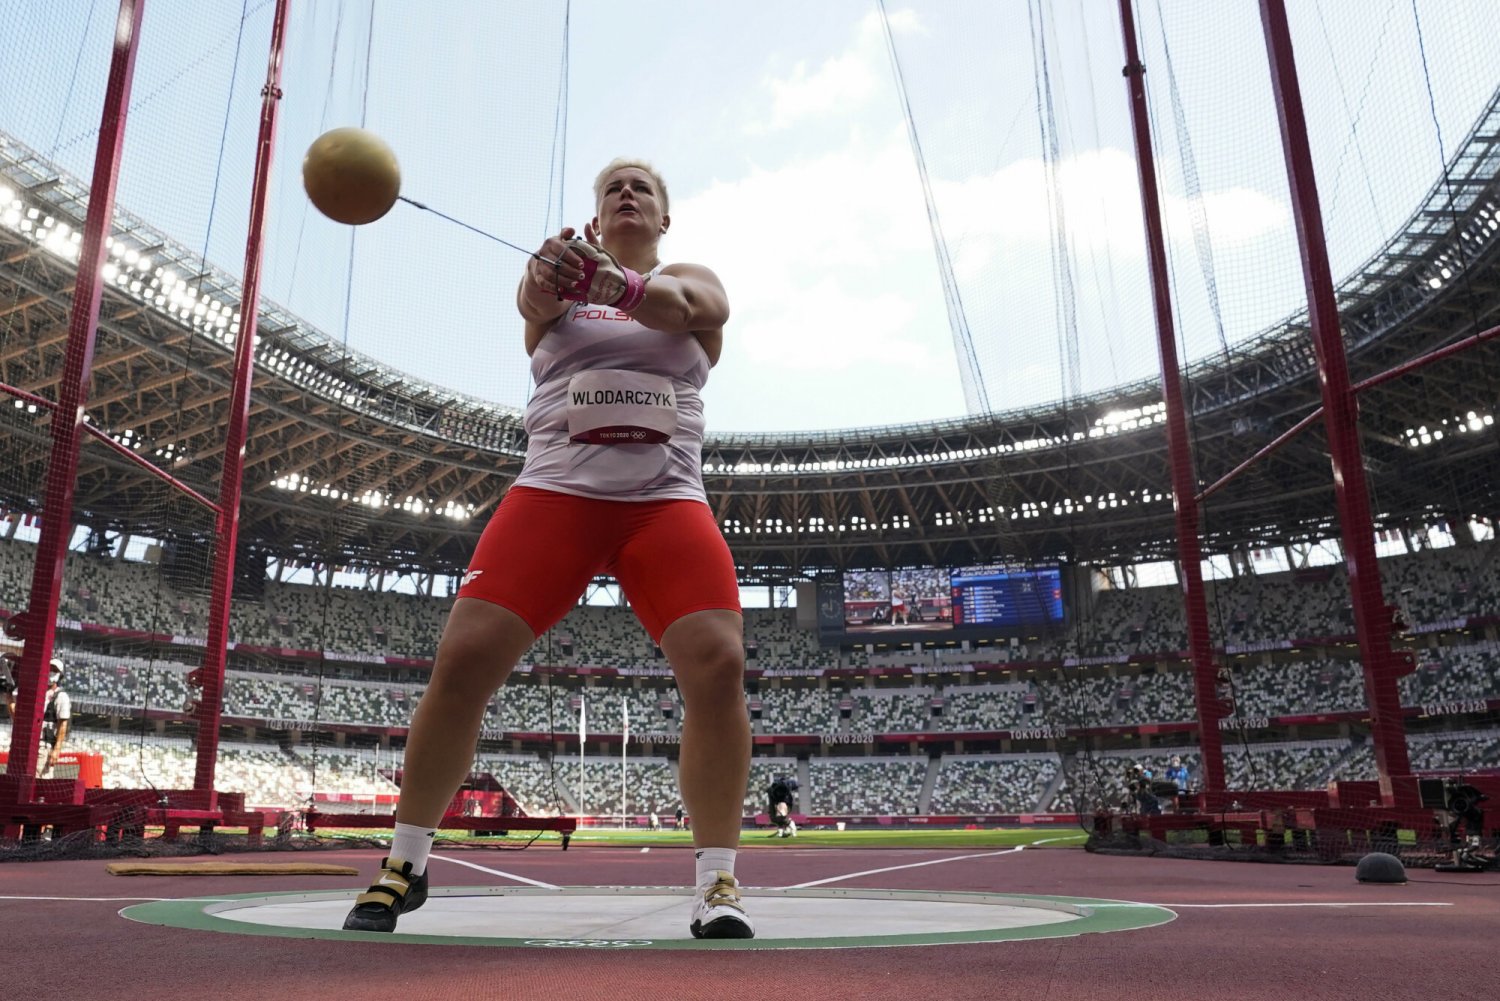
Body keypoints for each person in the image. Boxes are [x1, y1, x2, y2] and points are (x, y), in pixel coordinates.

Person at [343, 159, 752, 940]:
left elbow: (696, 305)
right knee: (464, 657)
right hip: (556, 495)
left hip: (663, 503)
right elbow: (533, 303)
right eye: (612, 189)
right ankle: (405, 861)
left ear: (665, 219)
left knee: (720, 662)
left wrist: (618, 287)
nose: (627, 195)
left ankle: (718, 880)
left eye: (643, 189)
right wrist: (553, 277)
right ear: (594, 220)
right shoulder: (559, 279)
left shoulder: (690, 278)